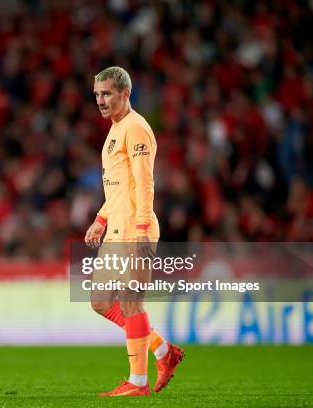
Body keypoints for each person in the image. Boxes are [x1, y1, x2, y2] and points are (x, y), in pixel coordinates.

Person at [85, 67, 184, 397]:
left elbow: (144, 183)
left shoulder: (136, 128)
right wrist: (101, 218)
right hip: (116, 227)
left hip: (134, 228)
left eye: (107, 94)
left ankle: (137, 382)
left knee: (130, 301)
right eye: (97, 94)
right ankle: (161, 350)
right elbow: (119, 187)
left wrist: (142, 228)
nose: (101, 100)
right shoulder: (115, 130)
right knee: (100, 301)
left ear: (125, 94)